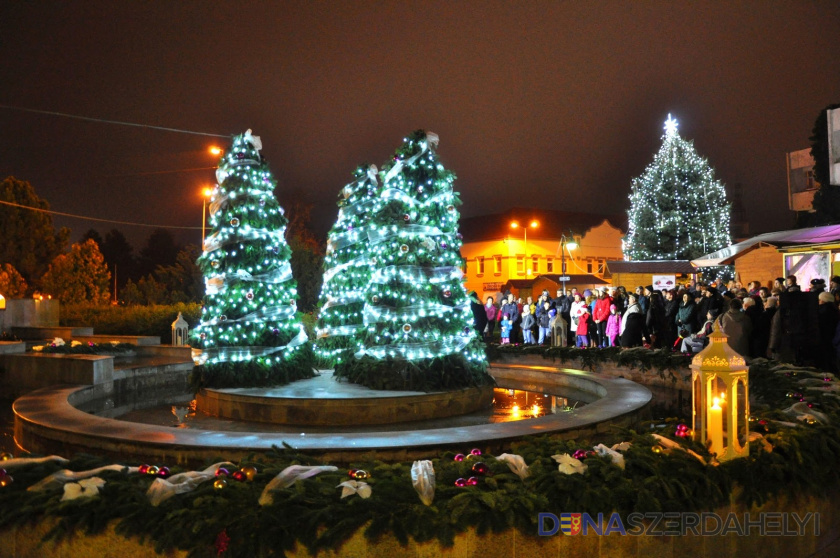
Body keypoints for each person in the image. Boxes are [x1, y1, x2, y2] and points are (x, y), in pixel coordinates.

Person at [817, 291, 839, 373]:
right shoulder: (834, 309)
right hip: (832, 337)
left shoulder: (823, 310)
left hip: (825, 338)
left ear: (823, 300)